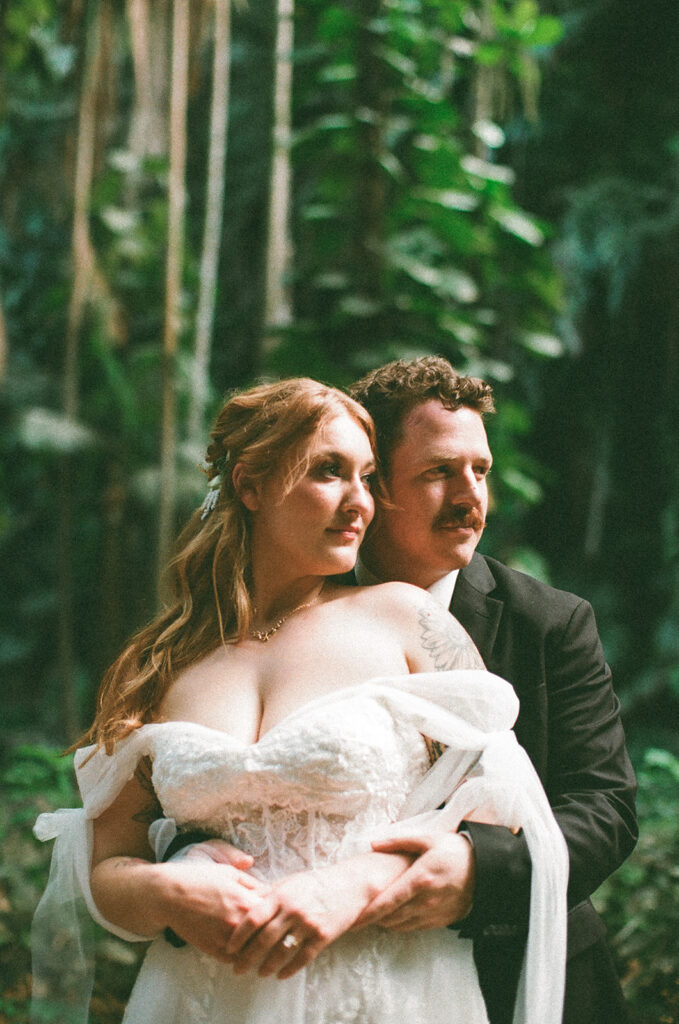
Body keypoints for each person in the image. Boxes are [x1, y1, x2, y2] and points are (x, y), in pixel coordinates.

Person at [31, 377, 568, 1024]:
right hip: (198, 997)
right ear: (250, 486)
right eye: (327, 472)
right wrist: (166, 890)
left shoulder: (405, 619)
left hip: (383, 992)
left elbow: (505, 810)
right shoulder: (159, 663)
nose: (358, 503)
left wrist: (358, 883)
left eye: (367, 478)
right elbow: (108, 864)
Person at [346, 356, 638, 1024]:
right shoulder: (303, 611)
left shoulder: (549, 622)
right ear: (374, 485)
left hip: (529, 979)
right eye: (437, 472)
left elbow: (605, 808)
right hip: (349, 974)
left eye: (479, 470)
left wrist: (479, 871)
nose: (469, 495)